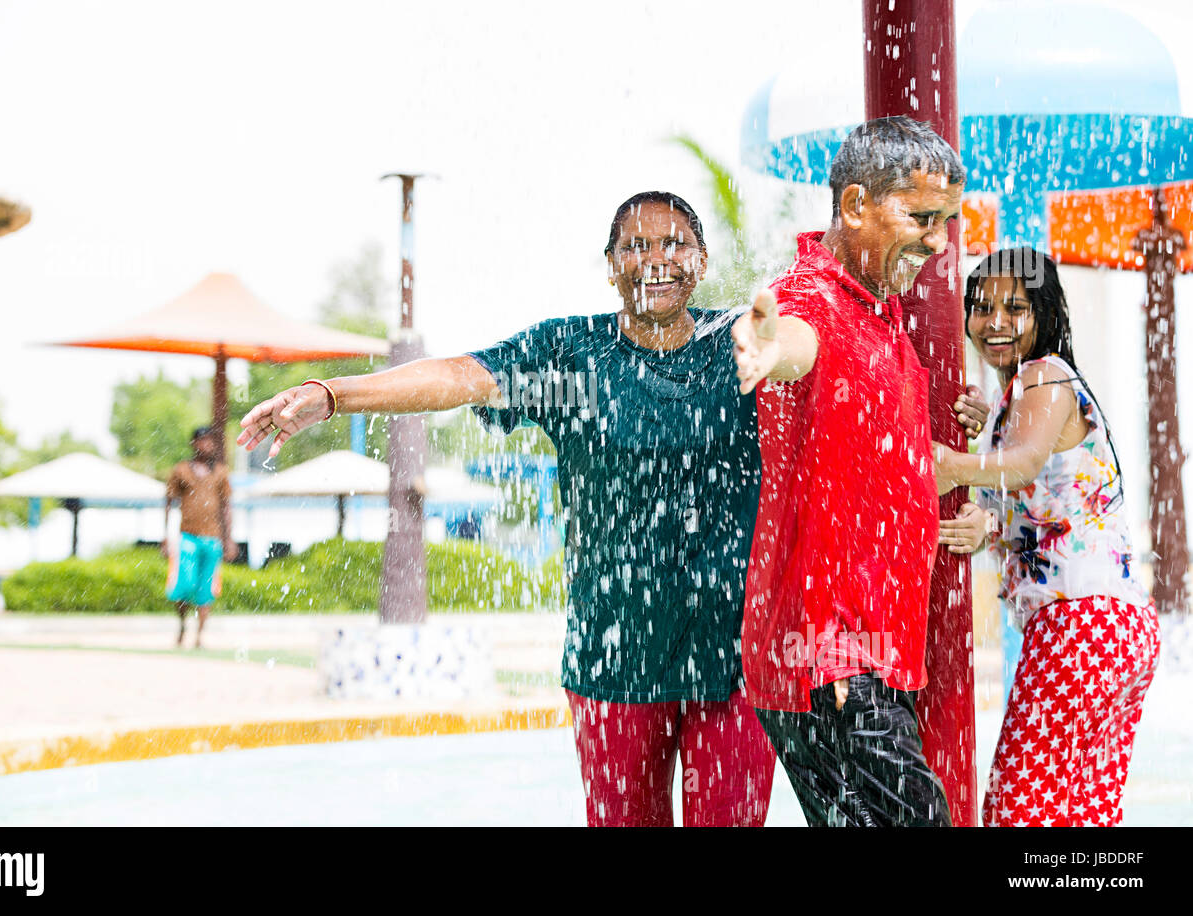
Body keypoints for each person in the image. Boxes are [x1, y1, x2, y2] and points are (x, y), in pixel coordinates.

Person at [237, 191, 777, 826]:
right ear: (610, 266)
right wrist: (334, 394)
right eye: (635, 245)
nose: (656, 257)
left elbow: (823, 365)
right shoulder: (574, 356)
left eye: (675, 243)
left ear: (703, 261)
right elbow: (459, 376)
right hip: (613, 653)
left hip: (735, 656)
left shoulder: (743, 346)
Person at [730, 116, 986, 826]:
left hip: (853, 656)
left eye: (947, 223)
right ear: (853, 208)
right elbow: (792, 340)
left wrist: (964, 511)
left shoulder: (879, 314)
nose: (939, 242)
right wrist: (766, 346)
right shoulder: (814, 301)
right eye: (922, 218)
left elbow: (893, 469)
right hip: (832, 660)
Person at [933, 248, 1160, 827]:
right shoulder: (1034, 391)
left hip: (1077, 627)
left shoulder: (1045, 373)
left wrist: (953, 465)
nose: (996, 323)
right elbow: (1029, 492)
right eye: (981, 308)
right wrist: (983, 496)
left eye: (1016, 307)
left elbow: (1027, 462)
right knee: (1079, 815)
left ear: (1045, 311)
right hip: (1118, 627)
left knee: (1019, 809)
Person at [163, 426, 236, 649]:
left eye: (210, 441)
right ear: (194, 444)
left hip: (213, 538)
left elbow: (226, 508)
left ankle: (199, 636)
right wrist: (166, 537)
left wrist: (229, 539)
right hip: (188, 536)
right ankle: (182, 624)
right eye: (202, 441)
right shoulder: (181, 470)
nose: (206, 445)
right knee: (184, 585)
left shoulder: (221, 473)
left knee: (207, 589)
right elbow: (168, 502)